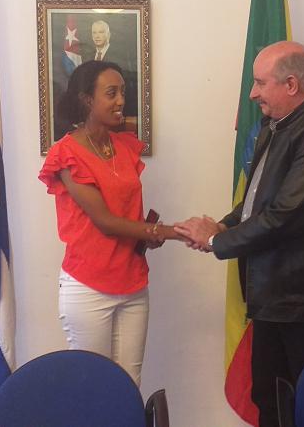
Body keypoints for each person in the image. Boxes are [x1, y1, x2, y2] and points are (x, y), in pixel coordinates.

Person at [175, 41, 304, 426]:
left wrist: (216, 241)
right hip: (277, 297)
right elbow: (258, 201)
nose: (252, 94)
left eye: (260, 83)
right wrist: (225, 225)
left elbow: (286, 215)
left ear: (291, 84)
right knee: (270, 401)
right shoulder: (277, 125)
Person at [39, 60, 182, 386]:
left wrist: (147, 236)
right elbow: (105, 221)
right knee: (93, 386)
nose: (121, 101)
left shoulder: (125, 146)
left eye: (123, 93)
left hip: (132, 282)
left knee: (129, 384)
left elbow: (126, 213)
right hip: (88, 286)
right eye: (111, 93)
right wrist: (171, 231)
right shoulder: (67, 153)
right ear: (87, 99)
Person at [87, 20, 138, 120]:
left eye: (101, 32)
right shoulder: (87, 56)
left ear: (108, 35)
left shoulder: (120, 56)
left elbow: (126, 87)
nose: (97, 36)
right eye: (94, 33)